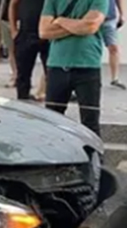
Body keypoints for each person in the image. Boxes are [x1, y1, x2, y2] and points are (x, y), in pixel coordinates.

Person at [39, 0, 108, 137]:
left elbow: (90, 26)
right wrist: (78, 25)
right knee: (52, 119)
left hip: (87, 65)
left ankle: (93, 157)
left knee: (90, 121)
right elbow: (44, 31)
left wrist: (60, 20)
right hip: (57, 65)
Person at [10, 0, 49, 100]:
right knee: (23, 75)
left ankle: (53, 108)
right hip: (26, 34)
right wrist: (13, 30)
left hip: (48, 35)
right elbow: (13, 4)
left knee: (52, 74)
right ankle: (22, 102)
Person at [0, 0, 17, 85]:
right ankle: (15, 74)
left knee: (16, 49)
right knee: (9, 48)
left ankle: (17, 74)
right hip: (0, 17)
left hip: (16, 18)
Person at [102, 0, 126, 89]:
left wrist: (122, 14)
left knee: (114, 48)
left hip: (109, 18)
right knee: (90, 49)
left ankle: (114, 79)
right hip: (91, 17)